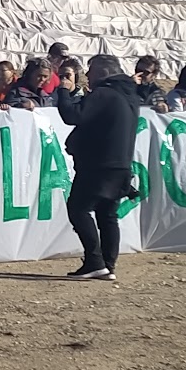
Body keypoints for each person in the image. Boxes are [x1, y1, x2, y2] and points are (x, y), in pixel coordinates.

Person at [56, 54, 139, 281]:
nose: (88, 77)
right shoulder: (129, 96)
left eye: (90, 72)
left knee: (78, 209)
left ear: (102, 72)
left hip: (98, 165)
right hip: (120, 165)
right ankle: (108, 265)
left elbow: (72, 116)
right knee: (107, 215)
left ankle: (95, 261)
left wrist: (63, 90)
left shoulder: (105, 93)